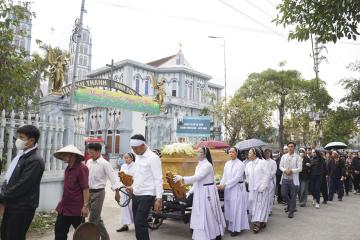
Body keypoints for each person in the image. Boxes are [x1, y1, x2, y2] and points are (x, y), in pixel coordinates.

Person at [0, 125, 45, 240]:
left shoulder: (35, 160)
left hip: (22, 207)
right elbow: (10, 178)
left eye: (21, 137)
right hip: (13, 204)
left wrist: (3, 196)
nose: (18, 140)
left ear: (31, 141)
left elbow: (22, 185)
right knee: (6, 235)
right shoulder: (22, 156)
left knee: (14, 236)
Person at [174, 147, 225, 240]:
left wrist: (182, 178)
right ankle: (201, 235)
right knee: (200, 214)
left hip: (207, 193)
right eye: (197, 151)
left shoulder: (207, 165)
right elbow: (197, 181)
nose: (197, 153)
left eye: (199, 152)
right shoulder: (200, 164)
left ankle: (215, 234)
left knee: (209, 215)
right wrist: (190, 191)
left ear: (205, 154)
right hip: (200, 191)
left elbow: (197, 177)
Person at [127, 134, 163, 240]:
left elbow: (158, 178)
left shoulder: (153, 158)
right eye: (132, 149)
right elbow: (138, 175)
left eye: (135, 148)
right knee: (137, 223)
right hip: (136, 194)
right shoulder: (138, 157)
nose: (134, 151)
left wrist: (159, 198)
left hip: (147, 195)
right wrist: (132, 186)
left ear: (143, 145)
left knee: (140, 222)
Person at [53, 145, 89, 240]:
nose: (63, 157)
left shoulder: (82, 168)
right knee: (59, 232)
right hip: (64, 207)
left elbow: (85, 188)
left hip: (76, 209)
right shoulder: (68, 168)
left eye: (65, 155)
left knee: (82, 235)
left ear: (72, 155)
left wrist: (85, 206)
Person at [86, 142, 121, 240]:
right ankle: (106, 238)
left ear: (98, 152)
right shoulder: (88, 162)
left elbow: (113, 178)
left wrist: (117, 193)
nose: (90, 154)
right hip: (89, 193)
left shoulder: (105, 164)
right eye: (89, 152)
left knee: (92, 219)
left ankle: (91, 237)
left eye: (92, 152)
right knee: (97, 218)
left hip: (99, 193)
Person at [218, 147, 249, 237]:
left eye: (232, 152)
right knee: (229, 208)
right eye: (229, 152)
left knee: (236, 208)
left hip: (237, 188)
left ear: (237, 153)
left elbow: (237, 178)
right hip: (228, 189)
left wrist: (225, 184)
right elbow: (224, 176)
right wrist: (221, 184)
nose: (230, 153)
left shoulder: (240, 164)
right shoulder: (227, 163)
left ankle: (236, 228)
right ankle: (231, 226)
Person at [245, 148, 270, 234]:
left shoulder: (262, 162)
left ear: (255, 154)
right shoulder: (248, 165)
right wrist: (248, 183)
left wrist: (263, 186)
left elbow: (267, 175)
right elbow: (247, 176)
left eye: (250, 153)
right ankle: (261, 220)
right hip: (252, 189)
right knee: (254, 206)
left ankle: (257, 223)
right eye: (248, 153)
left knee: (260, 206)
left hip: (261, 189)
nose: (248, 155)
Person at [279, 142, 302, 218]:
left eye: (291, 146)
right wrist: (285, 170)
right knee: (284, 194)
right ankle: (290, 205)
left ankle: (291, 211)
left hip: (293, 179)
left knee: (293, 196)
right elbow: (280, 166)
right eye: (289, 146)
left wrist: (291, 171)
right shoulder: (284, 156)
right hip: (285, 178)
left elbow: (300, 168)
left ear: (294, 148)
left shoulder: (298, 157)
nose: (290, 148)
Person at [117, 152, 136, 232]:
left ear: (132, 158)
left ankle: (137, 224)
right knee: (124, 206)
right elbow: (121, 176)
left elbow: (137, 178)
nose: (126, 159)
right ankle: (125, 225)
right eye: (125, 158)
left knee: (133, 207)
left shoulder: (136, 166)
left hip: (133, 189)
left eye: (128, 158)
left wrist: (132, 186)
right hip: (124, 189)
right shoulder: (123, 166)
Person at [264, 149, 277, 215]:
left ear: (270, 154)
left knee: (270, 196)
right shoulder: (262, 161)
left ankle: (269, 210)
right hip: (263, 182)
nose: (267, 154)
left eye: (268, 153)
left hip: (270, 181)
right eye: (266, 153)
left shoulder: (273, 162)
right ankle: (265, 209)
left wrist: (267, 176)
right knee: (265, 197)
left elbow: (273, 172)